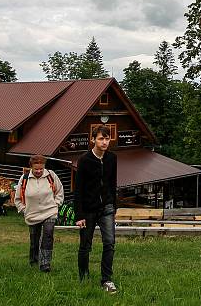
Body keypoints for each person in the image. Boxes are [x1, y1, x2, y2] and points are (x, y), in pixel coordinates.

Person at [74, 125, 118, 293]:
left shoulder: (112, 158)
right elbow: (78, 189)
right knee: (85, 245)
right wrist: (79, 214)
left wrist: (114, 205)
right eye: (101, 138)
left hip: (106, 207)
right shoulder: (84, 160)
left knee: (109, 243)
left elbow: (113, 182)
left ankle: (106, 279)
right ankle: (84, 277)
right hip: (88, 209)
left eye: (107, 139)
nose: (104, 142)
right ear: (93, 140)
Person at [14, 154, 64, 272]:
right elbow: (17, 199)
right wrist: (24, 209)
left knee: (48, 234)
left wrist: (56, 204)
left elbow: (59, 191)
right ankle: (34, 260)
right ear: (31, 167)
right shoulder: (24, 179)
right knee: (34, 239)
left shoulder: (51, 176)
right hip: (32, 214)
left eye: (41, 168)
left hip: (50, 211)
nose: (39, 171)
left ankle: (45, 263)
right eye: (36, 169)